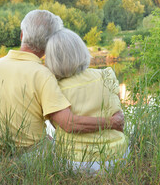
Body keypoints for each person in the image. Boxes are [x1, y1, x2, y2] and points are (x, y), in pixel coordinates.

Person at [0, 10, 124, 163]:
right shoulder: (43, 74)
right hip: (29, 158)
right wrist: (111, 122)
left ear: (22, 35)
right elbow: (68, 123)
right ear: (51, 43)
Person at [45, 28, 129, 173]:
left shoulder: (54, 87)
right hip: (119, 157)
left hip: (76, 162)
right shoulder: (105, 75)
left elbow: (60, 125)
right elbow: (118, 119)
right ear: (81, 50)